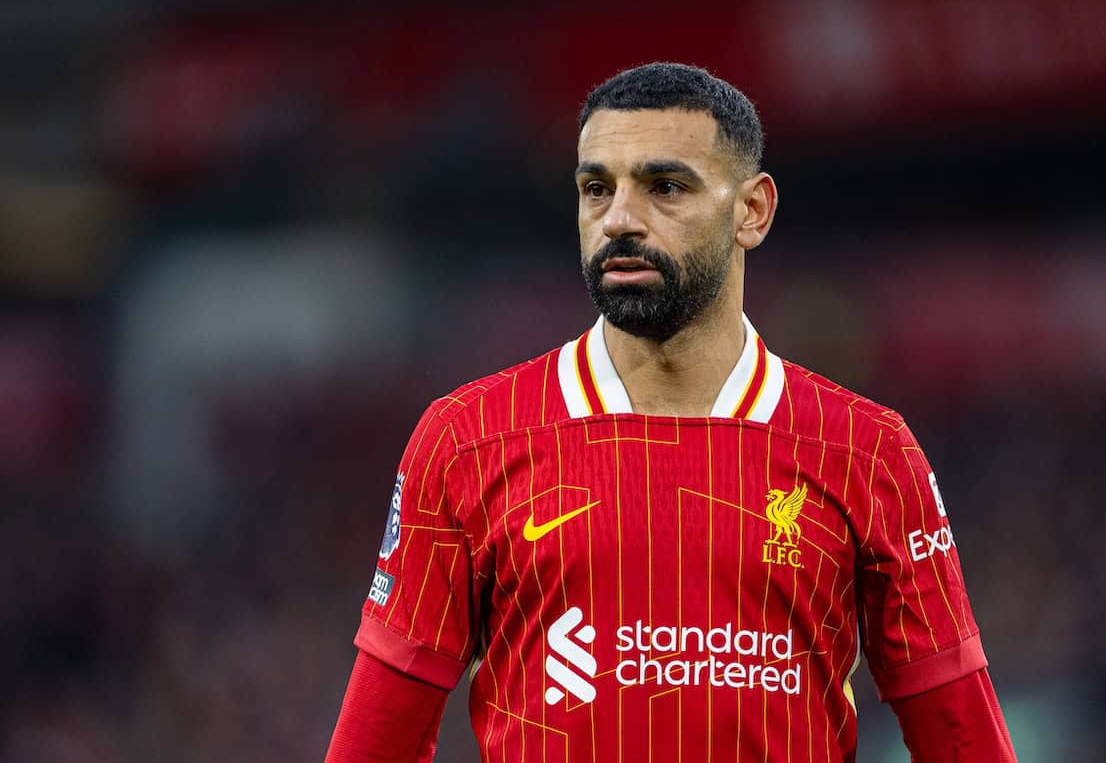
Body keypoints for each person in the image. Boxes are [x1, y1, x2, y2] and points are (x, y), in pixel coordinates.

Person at [325, 62, 1016, 762]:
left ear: (753, 211)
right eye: (597, 188)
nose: (620, 219)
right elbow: (375, 739)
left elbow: (959, 731)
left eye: (665, 187)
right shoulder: (466, 441)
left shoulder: (867, 452)